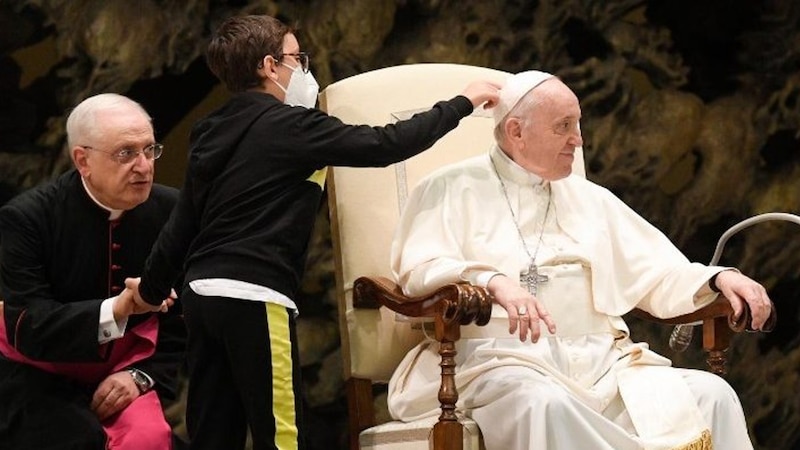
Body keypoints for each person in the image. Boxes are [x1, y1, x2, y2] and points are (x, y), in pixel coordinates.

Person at [125, 14, 500, 450]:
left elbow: (183, 222)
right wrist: (461, 103)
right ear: (269, 66)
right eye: (296, 58)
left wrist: (150, 292)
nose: (303, 69)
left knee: (213, 434)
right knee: (283, 436)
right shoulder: (292, 126)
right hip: (253, 295)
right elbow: (388, 144)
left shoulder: (209, 129)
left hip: (201, 296)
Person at [387, 70, 774, 450]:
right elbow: (419, 271)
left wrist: (718, 279)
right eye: (564, 126)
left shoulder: (590, 197)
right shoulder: (449, 188)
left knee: (712, 395)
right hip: (500, 360)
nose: (579, 140)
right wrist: (491, 281)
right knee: (544, 406)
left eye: (578, 124)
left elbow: (655, 272)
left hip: (602, 364)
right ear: (516, 132)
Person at [0, 93, 187, 450]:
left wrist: (141, 376)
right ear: (82, 160)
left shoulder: (172, 210)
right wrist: (120, 309)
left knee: (148, 439)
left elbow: (184, 317)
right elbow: (29, 324)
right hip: (37, 370)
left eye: (150, 150)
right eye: (126, 153)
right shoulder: (27, 218)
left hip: (124, 367)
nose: (144, 166)